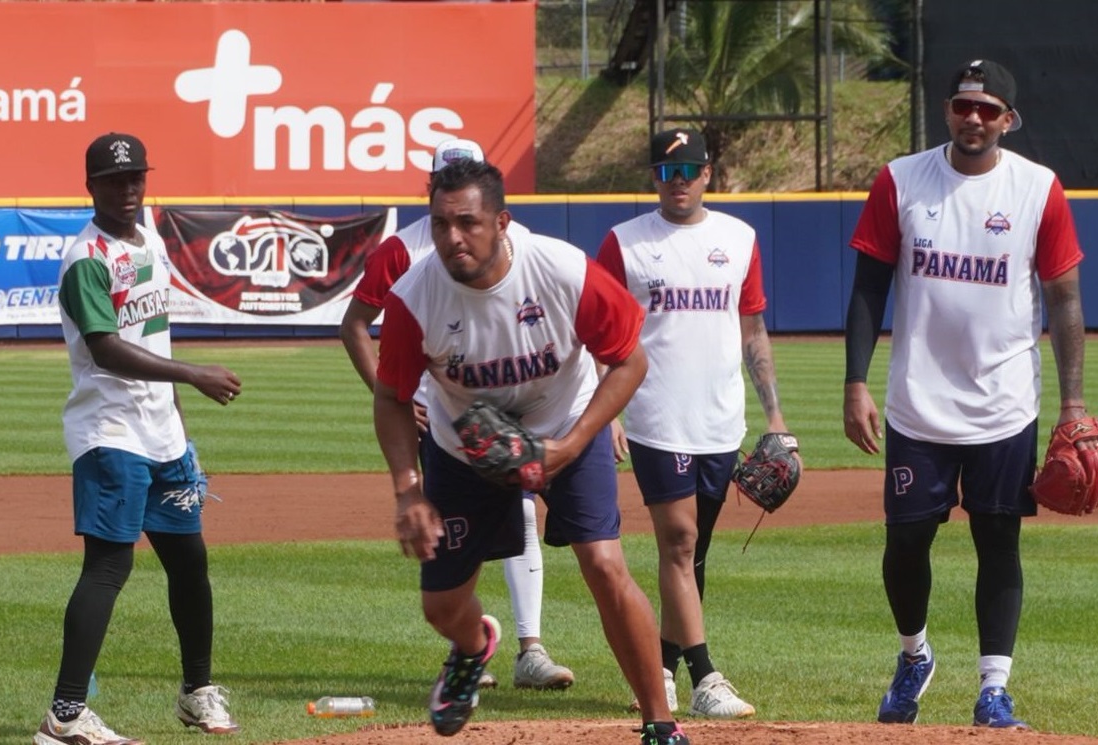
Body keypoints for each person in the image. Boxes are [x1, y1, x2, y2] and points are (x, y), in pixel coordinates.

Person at [373, 158, 689, 745]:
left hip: (564, 423)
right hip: (465, 450)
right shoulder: (414, 298)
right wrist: (406, 488)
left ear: (502, 221)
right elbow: (391, 397)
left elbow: (630, 360)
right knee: (441, 605)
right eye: (440, 224)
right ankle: (473, 648)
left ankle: (660, 723)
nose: (452, 237)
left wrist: (572, 443)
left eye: (467, 222)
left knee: (604, 564)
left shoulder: (562, 270)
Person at [842, 59, 1089, 730]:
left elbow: (1064, 300)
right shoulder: (900, 180)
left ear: (1008, 119)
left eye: (987, 109)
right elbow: (868, 287)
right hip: (916, 399)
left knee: (997, 538)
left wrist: (1071, 404)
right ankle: (913, 653)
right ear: (947, 110)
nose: (972, 117)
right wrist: (855, 380)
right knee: (906, 538)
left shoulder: (1036, 189)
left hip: (1004, 400)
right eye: (962, 105)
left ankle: (993, 687)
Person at [339, 138, 575, 691]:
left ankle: (530, 647)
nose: (454, 227)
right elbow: (354, 324)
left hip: (518, 402)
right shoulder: (402, 250)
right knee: (450, 535)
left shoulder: (516, 242)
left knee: (522, 515)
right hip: (443, 416)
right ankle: (469, 647)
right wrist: (392, 393)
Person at [34, 132, 244, 745]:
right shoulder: (85, 259)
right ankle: (65, 716)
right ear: (90, 186)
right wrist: (194, 375)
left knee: (189, 562)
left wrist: (178, 418)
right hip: (110, 430)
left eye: (135, 178)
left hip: (161, 432)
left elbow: (154, 335)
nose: (128, 189)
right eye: (113, 180)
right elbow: (105, 349)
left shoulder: (148, 237)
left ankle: (196, 692)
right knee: (109, 565)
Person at [595, 127, 797, 719]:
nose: (676, 181)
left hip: (720, 419)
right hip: (657, 415)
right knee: (679, 543)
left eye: (687, 171)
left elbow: (753, 330)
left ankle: (657, 665)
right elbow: (597, 332)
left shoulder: (739, 238)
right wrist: (604, 412)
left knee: (693, 553)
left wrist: (775, 416)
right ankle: (706, 676)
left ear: (708, 174)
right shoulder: (625, 243)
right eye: (665, 171)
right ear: (653, 178)